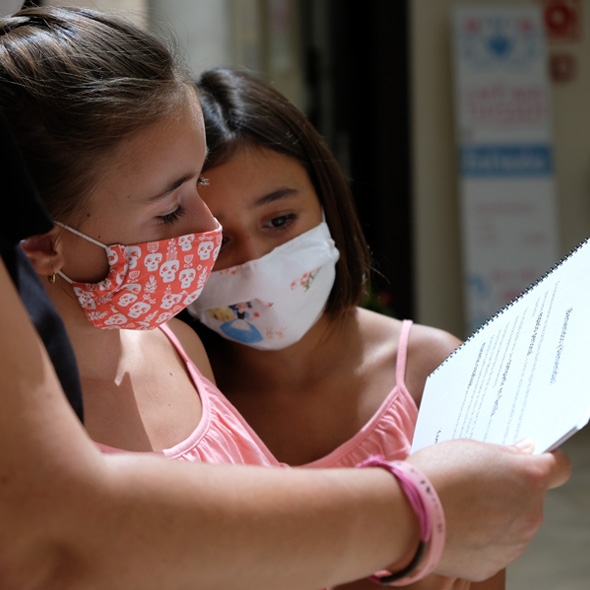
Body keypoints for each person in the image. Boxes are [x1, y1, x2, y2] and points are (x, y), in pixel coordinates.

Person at [0, 5, 572, 589]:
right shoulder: (33, 428)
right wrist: (421, 513)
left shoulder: (178, 350)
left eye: (279, 218)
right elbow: (78, 544)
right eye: (170, 210)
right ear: (41, 246)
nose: (211, 232)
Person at [183, 68, 493, 589]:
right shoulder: (182, 403)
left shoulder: (436, 374)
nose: (257, 261)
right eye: (216, 242)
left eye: (279, 220)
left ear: (328, 204)